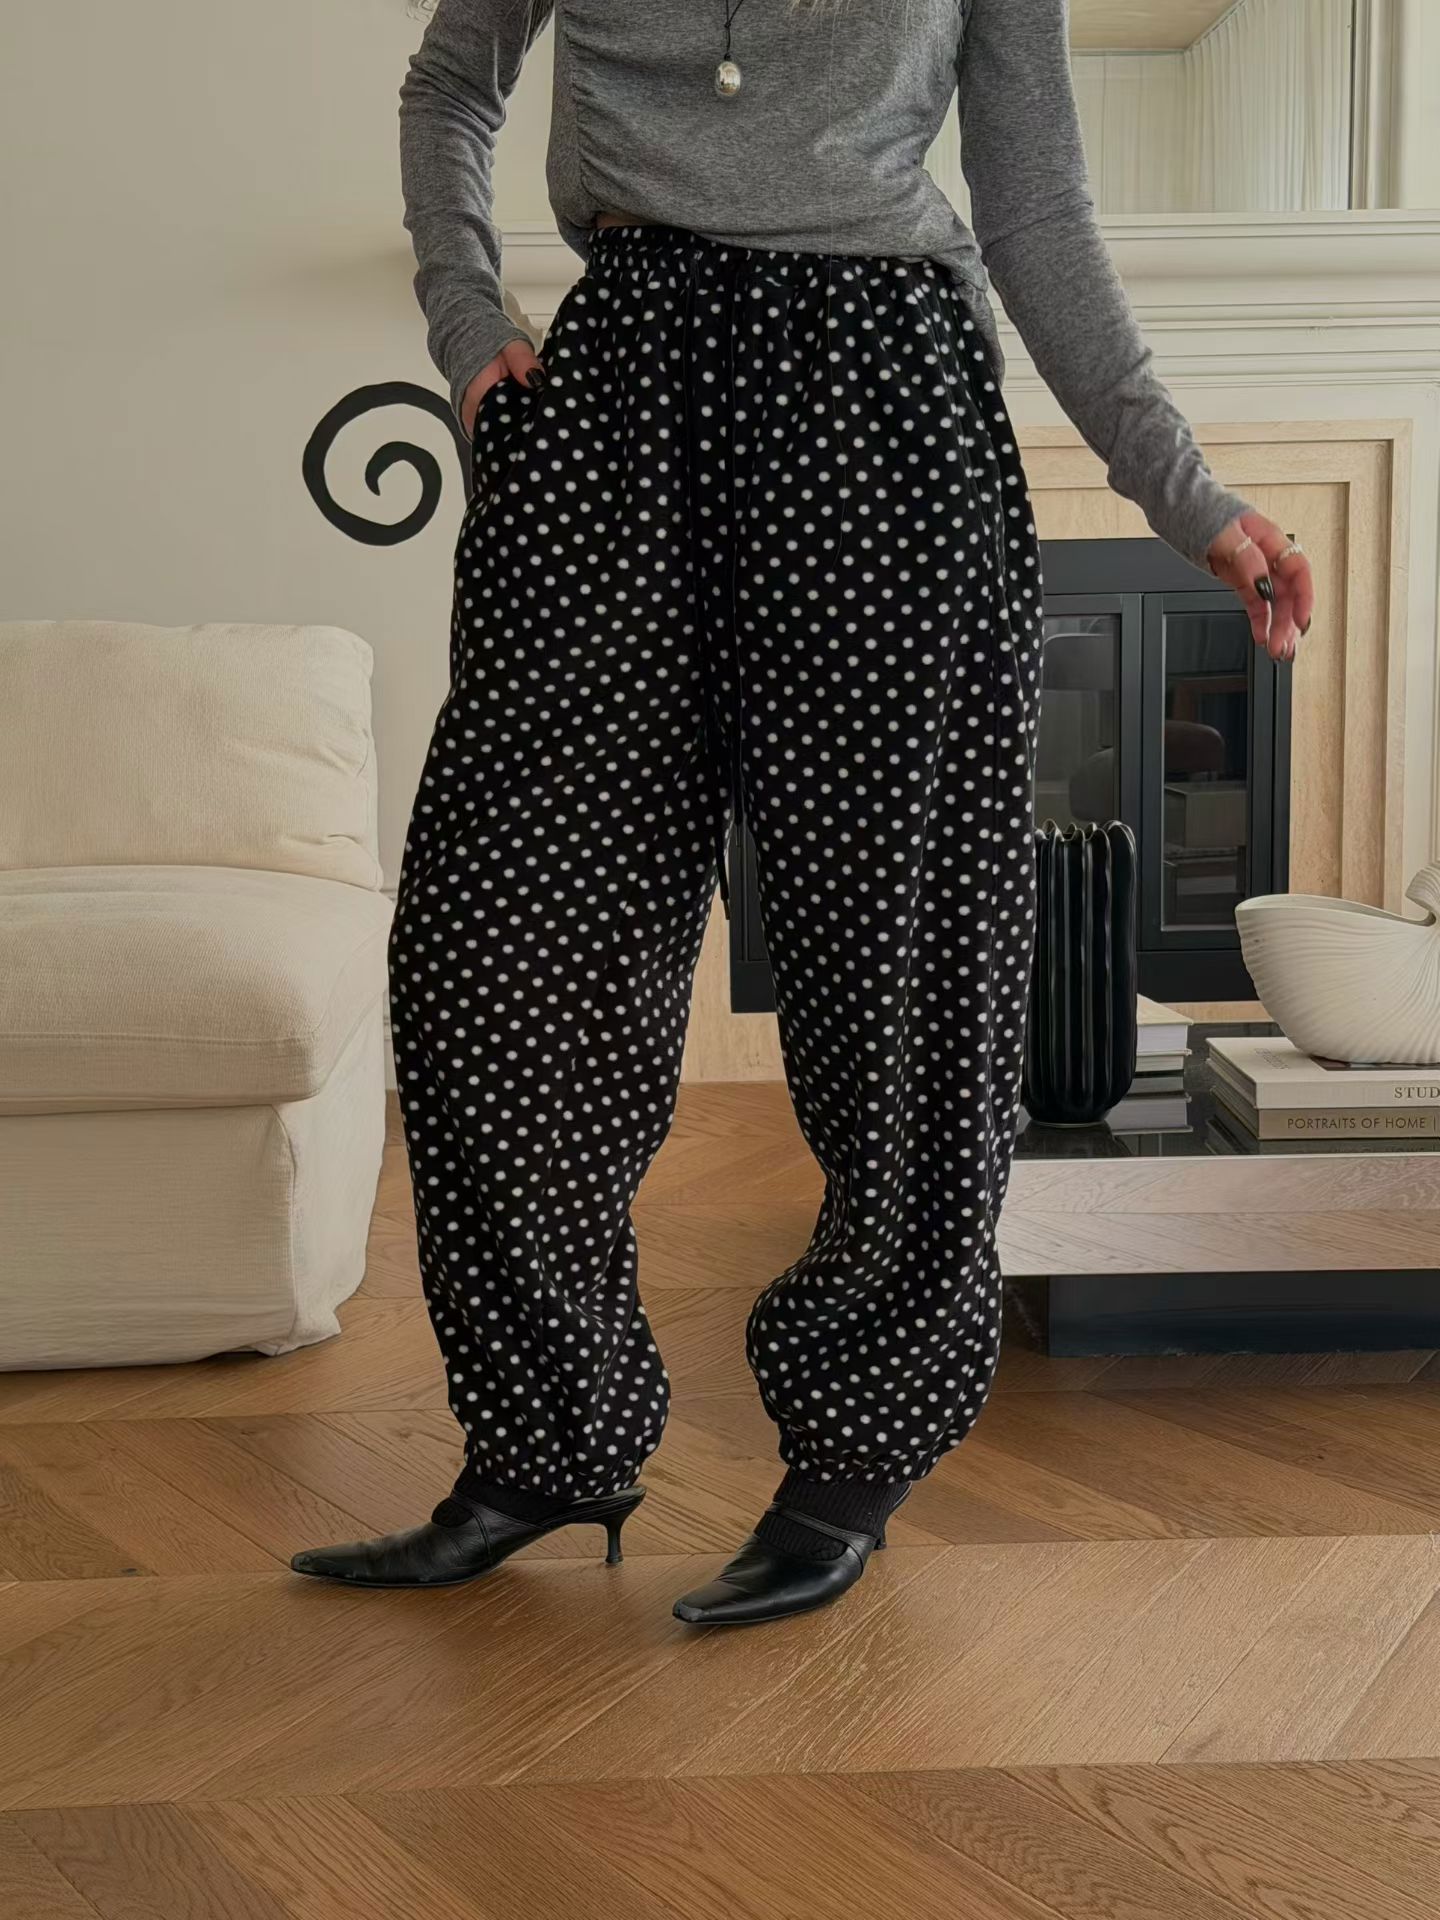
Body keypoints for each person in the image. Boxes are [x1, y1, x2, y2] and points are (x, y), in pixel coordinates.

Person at [291, 0, 1314, 1626]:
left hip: (883, 413)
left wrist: (1185, 492)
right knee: (498, 960)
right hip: (615, 406)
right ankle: (545, 1437)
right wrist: (469, 320)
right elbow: (448, 88)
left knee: (895, 977)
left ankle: (850, 1460)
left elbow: (1036, 206)